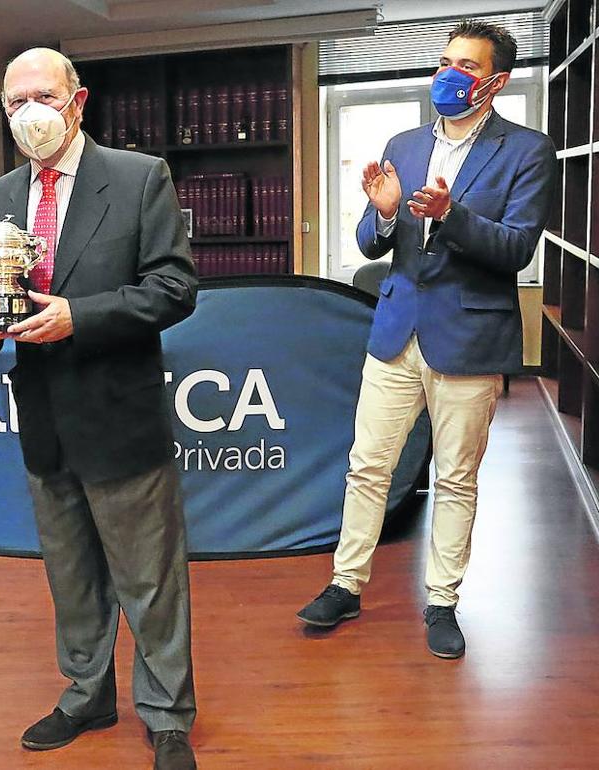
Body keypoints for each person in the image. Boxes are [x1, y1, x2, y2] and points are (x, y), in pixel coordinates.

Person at [0, 48, 199, 769]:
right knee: (70, 575)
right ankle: (87, 693)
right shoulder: (0, 194)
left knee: (149, 578)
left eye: (42, 95)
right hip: (42, 417)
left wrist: (81, 317)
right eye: (14, 101)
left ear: (78, 100)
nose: (28, 111)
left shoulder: (138, 178)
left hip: (118, 410)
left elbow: (174, 288)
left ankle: (166, 714)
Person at [296, 20, 557, 659]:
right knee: (368, 466)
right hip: (395, 333)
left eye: (465, 65)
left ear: (494, 81)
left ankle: (442, 600)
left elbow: (517, 250)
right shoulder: (405, 143)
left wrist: (451, 216)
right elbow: (368, 242)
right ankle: (346, 583)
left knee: (456, 476)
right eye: (444, 62)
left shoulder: (527, 151)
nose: (448, 74)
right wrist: (385, 210)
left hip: (468, 337)